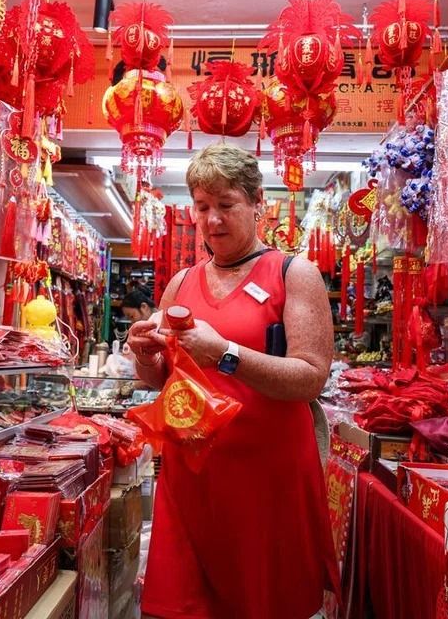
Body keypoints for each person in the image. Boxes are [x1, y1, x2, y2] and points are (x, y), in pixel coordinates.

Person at [128, 144, 338, 619]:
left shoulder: (293, 273)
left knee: (266, 601)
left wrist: (224, 354)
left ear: (257, 201)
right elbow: (162, 380)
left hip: (268, 478)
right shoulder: (181, 282)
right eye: (202, 207)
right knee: (186, 603)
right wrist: (143, 356)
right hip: (193, 475)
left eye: (226, 205)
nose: (212, 220)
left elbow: (311, 377)